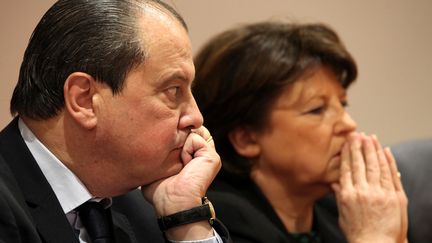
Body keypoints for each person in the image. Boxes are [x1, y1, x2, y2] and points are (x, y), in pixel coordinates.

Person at [0, 0, 231, 242]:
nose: (196, 117)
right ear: (84, 100)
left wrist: (185, 216)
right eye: (173, 90)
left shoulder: (144, 211)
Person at [192, 21, 407, 243]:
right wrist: (374, 236)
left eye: (342, 105)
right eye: (317, 109)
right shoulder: (215, 226)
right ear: (245, 138)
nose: (348, 124)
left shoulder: (345, 210)